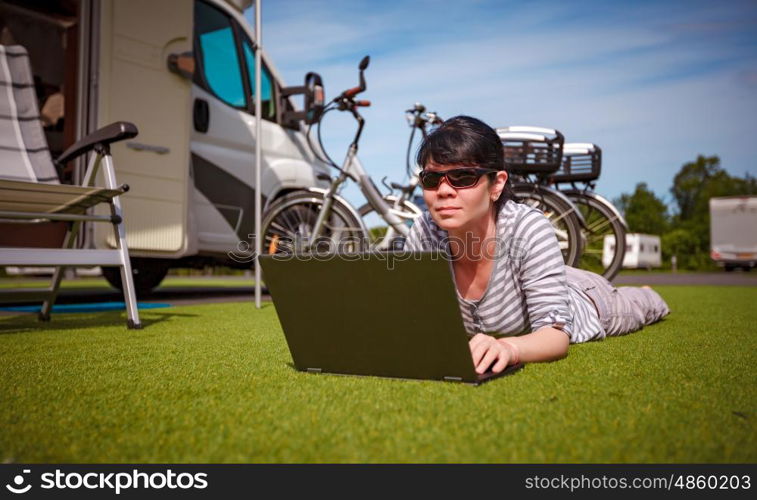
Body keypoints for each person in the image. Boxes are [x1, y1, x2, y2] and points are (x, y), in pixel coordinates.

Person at [404, 116, 670, 374]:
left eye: (463, 178)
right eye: (432, 179)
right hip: (538, 274)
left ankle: (646, 292)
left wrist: (509, 347)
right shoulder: (424, 232)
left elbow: (554, 337)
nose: (444, 190)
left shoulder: (527, 228)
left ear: (496, 185)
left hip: (587, 299)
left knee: (639, 305)